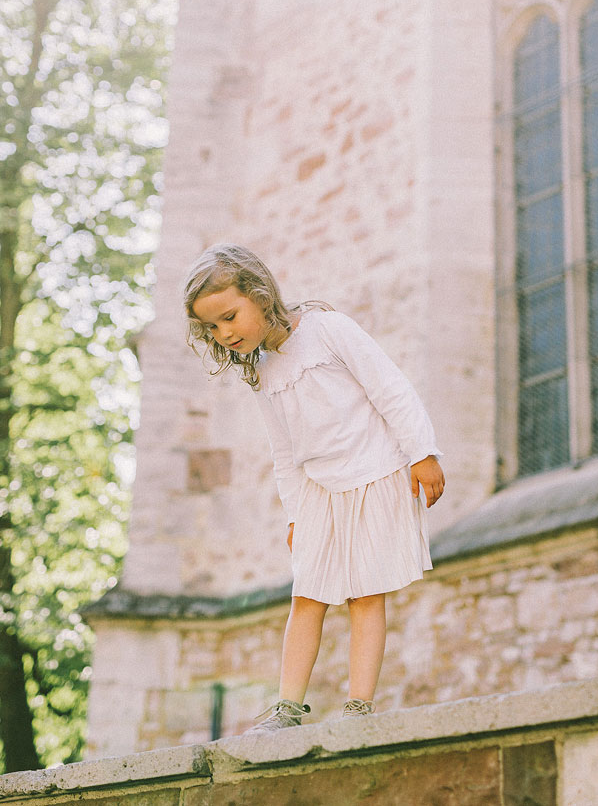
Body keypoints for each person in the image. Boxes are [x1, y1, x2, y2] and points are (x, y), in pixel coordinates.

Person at [183, 242, 445, 732]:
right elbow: (285, 453)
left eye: (229, 316)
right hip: (319, 491)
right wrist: (295, 512)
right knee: (307, 596)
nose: (225, 332)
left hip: (373, 473)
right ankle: (287, 709)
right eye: (212, 327)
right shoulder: (261, 372)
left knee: (366, 595)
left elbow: (389, 387)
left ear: (260, 294)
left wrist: (422, 453)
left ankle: (358, 709)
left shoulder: (328, 330)